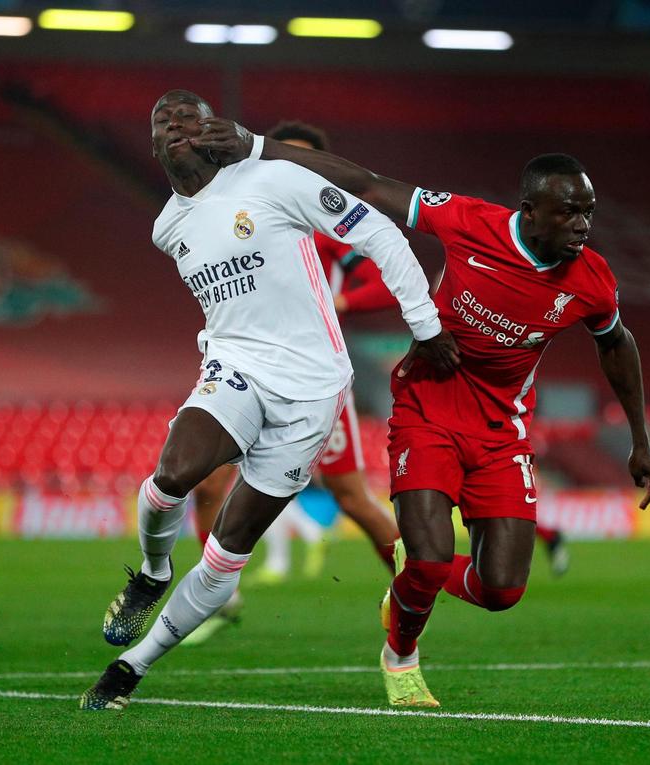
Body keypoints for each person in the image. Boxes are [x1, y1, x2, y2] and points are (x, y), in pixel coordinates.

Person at [192, 121, 650, 708]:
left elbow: (615, 343)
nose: (582, 226)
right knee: (432, 555)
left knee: (502, 591)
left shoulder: (591, 278)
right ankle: (401, 653)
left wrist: (640, 441)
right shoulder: (471, 221)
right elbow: (369, 184)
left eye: (588, 213)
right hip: (427, 410)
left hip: (502, 430)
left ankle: (411, 585)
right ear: (530, 210)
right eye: (569, 213)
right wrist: (255, 146)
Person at [77, 90, 458, 710]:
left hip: (312, 389)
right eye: (160, 121)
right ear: (151, 146)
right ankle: (151, 573)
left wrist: (425, 324)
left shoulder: (275, 178)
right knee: (172, 476)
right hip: (235, 366)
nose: (173, 125)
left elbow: (382, 231)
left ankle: (131, 668)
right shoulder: (166, 227)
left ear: (211, 132)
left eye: (187, 117)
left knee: (229, 554)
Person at [181, 121, 403, 647]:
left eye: (303, 160)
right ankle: (218, 597)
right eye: (282, 158)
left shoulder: (329, 225)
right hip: (247, 371)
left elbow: (382, 281)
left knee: (352, 497)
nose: (291, 168)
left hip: (313, 379)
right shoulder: (252, 216)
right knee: (207, 483)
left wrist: (337, 302)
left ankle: (412, 588)